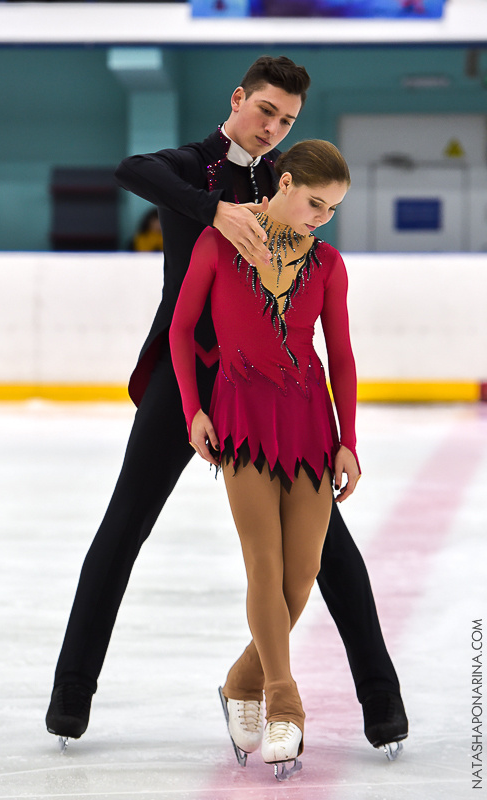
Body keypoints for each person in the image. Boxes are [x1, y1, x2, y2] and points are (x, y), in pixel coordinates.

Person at [45, 55, 408, 755]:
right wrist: (212, 209)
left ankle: (380, 701)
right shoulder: (189, 166)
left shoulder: (284, 180)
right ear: (239, 99)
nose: (274, 128)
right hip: (186, 381)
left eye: (288, 121)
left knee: (328, 549)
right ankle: (70, 696)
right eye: (266, 111)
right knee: (125, 526)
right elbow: (131, 170)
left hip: (269, 389)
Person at [169, 139, 358, 772]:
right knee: (264, 562)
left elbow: (343, 357)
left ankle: (241, 679)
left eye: (332, 209)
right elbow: (180, 326)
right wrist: (193, 408)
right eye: (315, 203)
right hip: (241, 414)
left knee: (299, 578)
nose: (322, 217)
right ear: (283, 185)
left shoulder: (329, 263)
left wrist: (349, 441)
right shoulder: (220, 242)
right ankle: (284, 700)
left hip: (309, 420)